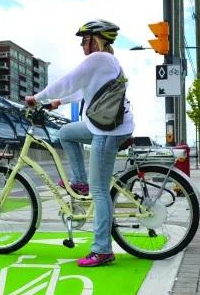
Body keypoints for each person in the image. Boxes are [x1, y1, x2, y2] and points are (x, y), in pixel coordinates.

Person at [25, 19, 134, 267]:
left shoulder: (99, 59)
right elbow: (83, 89)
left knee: (100, 191)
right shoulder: (107, 61)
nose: (82, 45)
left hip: (108, 130)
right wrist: (57, 103)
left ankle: (102, 250)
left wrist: (38, 97)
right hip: (104, 125)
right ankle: (80, 182)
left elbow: (70, 80)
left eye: (85, 40)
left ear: (97, 40)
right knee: (66, 133)